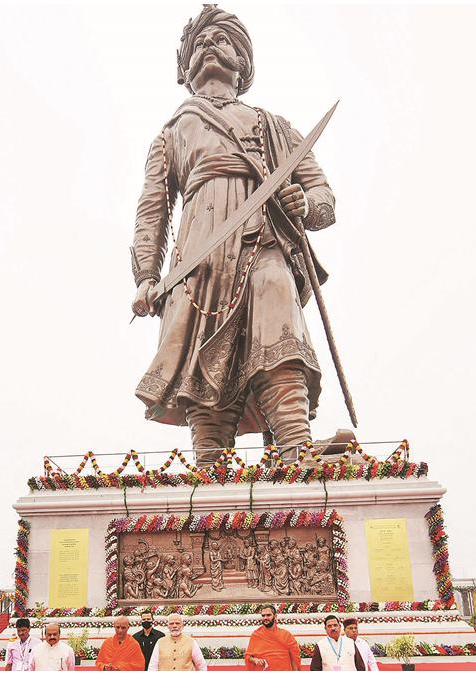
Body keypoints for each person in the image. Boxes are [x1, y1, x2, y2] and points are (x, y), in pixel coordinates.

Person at [130, 6, 338, 465]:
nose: (210, 47)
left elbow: (321, 192)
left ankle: (295, 448)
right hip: (198, 257)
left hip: (262, 241)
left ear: (242, 61)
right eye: (200, 43)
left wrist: (308, 205)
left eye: (221, 40)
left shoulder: (274, 126)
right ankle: (209, 466)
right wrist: (146, 274)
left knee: (277, 332)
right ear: (185, 68)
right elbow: (153, 208)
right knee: (202, 359)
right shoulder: (172, 132)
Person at [244, 605, 300, 671]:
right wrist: (255, 660)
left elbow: (294, 658)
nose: (265, 618)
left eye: (268, 615)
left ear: (275, 616)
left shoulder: (286, 635)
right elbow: (248, 656)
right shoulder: (256, 635)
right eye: (263, 615)